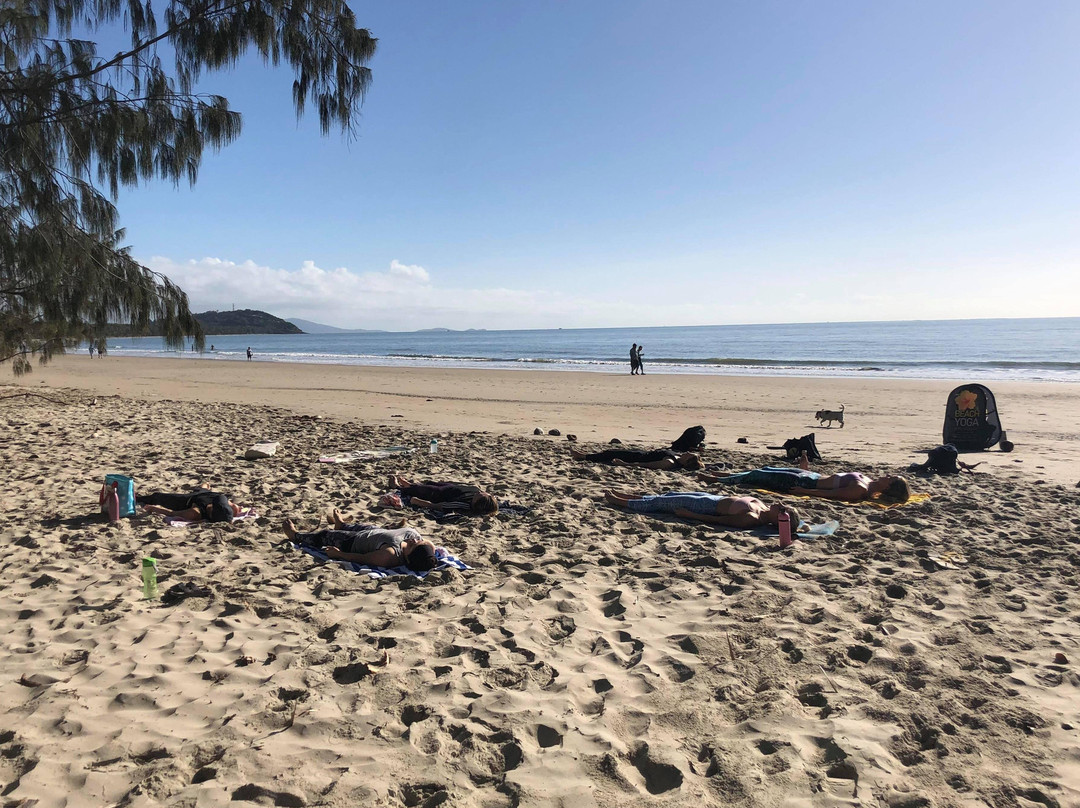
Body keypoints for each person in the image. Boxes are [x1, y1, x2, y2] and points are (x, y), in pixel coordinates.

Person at [283, 511, 438, 571]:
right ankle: (342, 524)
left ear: (408, 557)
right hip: (377, 531)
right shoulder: (427, 546)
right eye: (418, 540)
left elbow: (363, 558)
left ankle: (296, 536)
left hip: (354, 541)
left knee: (325, 535)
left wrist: (340, 554)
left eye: (413, 544)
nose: (414, 539)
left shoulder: (389, 555)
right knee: (361, 526)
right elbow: (427, 550)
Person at [699, 462, 910, 504]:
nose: (888, 475)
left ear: (888, 487)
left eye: (891, 479)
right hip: (810, 475)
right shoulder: (868, 480)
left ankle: (717, 479)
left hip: (806, 484)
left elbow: (831, 495)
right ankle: (726, 474)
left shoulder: (860, 489)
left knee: (757, 476)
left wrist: (802, 491)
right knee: (764, 469)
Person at [604, 490, 798, 528]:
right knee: (668, 495)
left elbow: (720, 521)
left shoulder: (752, 519)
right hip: (714, 498)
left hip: (705, 507)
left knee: (660, 504)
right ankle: (628, 496)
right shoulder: (764, 508)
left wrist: (690, 515)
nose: (780, 505)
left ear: (779, 520)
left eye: (783, 509)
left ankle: (619, 502)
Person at [387, 476, 499, 516]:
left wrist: (419, 502)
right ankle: (409, 485)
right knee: (429, 484)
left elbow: (440, 506)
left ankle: (398, 487)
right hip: (451, 488)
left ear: (475, 502)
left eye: (479, 495)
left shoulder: (463, 504)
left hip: (442, 494)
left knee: (427, 490)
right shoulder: (482, 497)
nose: (479, 493)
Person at [138, 486, 242, 522]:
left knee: (157, 497)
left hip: (190, 499)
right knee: (203, 488)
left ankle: (137, 498)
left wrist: (154, 508)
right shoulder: (231, 509)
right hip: (207, 494)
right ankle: (204, 486)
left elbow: (172, 513)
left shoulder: (195, 513)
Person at [571, 447, 702, 471]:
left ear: (686, 461)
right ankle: (586, 455)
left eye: (689, 455)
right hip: (643, 452)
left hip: (637, 457)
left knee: (610, 453)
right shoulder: (678, 456)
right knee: (612, 451)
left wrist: (624, 464)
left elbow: (647, 465)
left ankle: (582, 456)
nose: (687, 452)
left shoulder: (669, 462)